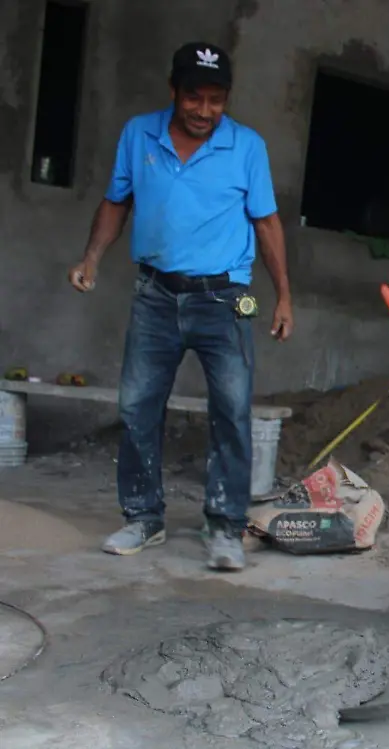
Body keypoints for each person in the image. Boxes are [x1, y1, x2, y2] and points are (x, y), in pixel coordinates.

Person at [67, 41, 293, 572]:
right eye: (194, 97)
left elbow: (266, 223)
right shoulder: (138, 134)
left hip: (227, 298)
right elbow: (117, 201)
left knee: (231, 411)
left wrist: (284, 294)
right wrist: (92, 257)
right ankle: (143, 517)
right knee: (137, 406)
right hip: (155, 295)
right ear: (173, 91)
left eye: (216, 100)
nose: (204, 110)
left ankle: (225, 526)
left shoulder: (247, 147)